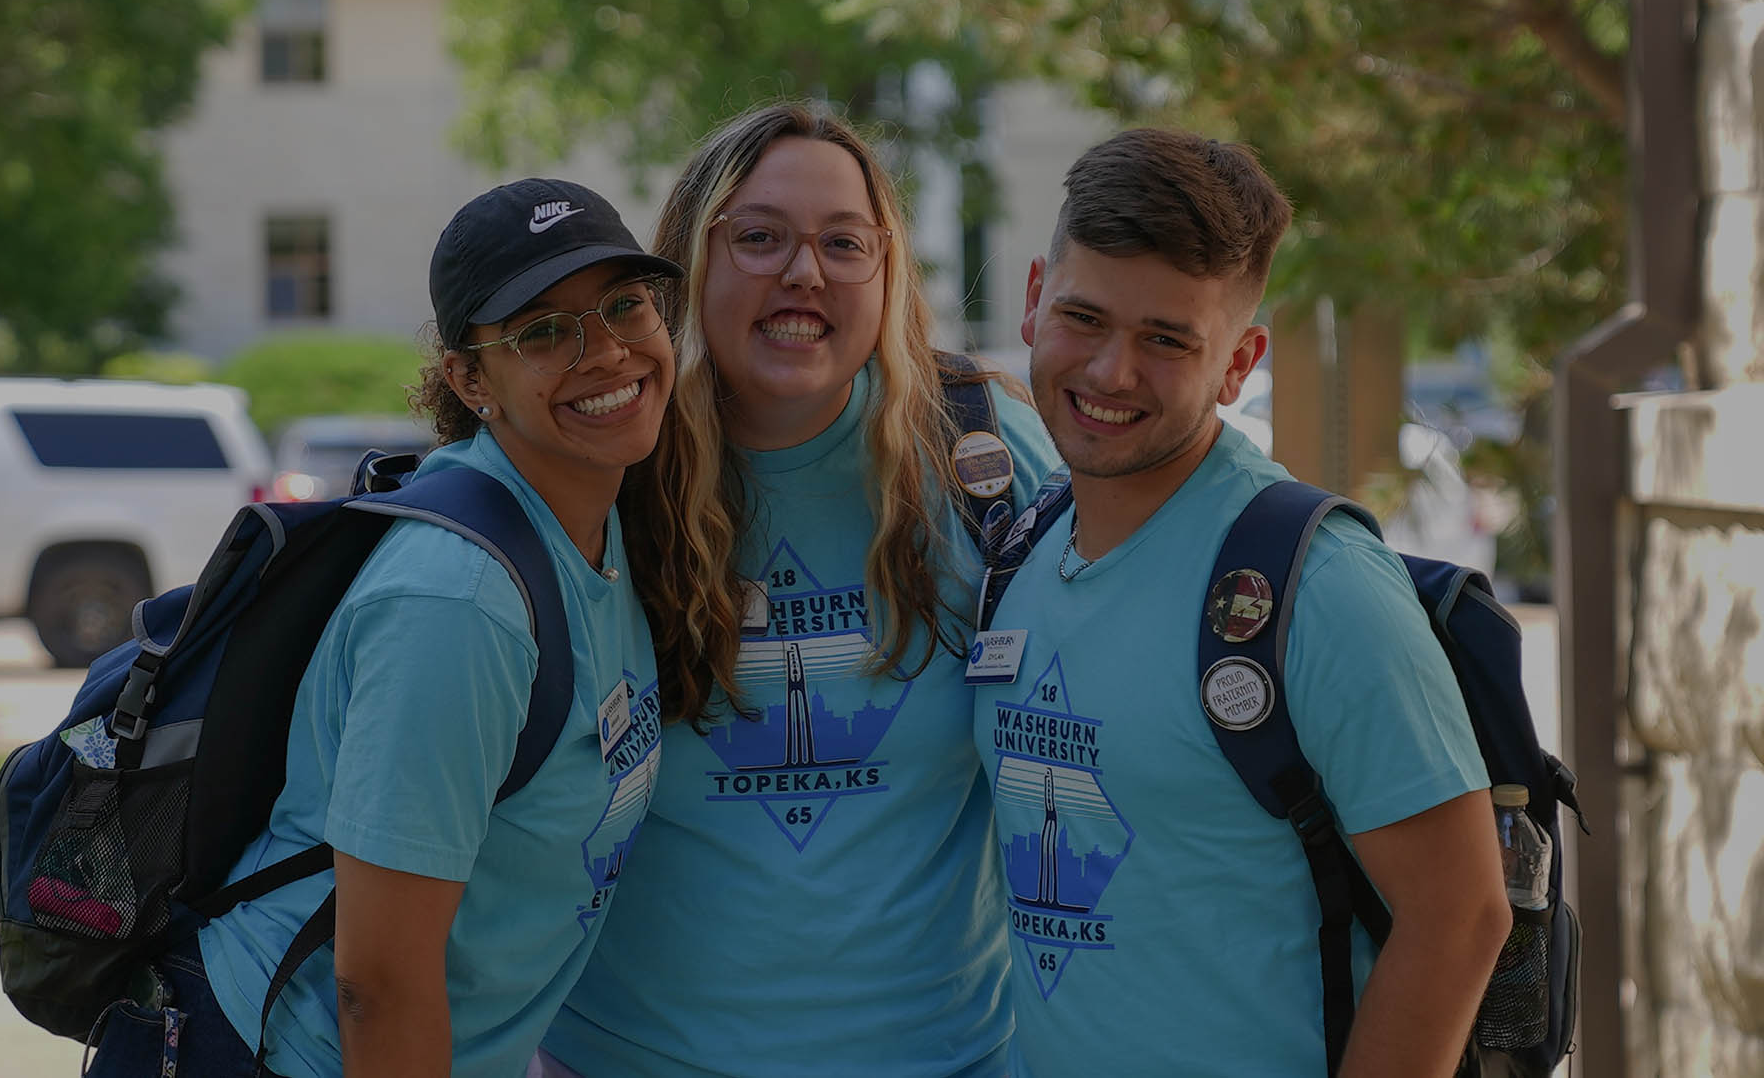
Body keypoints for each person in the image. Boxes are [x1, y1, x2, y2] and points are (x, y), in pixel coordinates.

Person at [0, 179, 682, 1078]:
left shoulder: (594, 520)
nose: (608, 351)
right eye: (543, 331)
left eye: (626, 305)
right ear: (469, 377)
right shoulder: (461, 604)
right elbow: (376, 983)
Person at [970, 128, 1512, 1076]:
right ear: (1030, 300)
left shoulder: (1320, 588)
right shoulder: (1023, 550)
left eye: (1167, 339)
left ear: (1238, 361)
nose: (1110, 373)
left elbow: (1461, 916)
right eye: (1084, 318)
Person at [542, 104, 1061, 1076]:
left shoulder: (984, 453)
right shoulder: (611, 466)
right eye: (760, 237)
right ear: (691, 260)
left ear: (887, 266)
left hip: (947, 1059)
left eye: (842, 241)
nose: (804, 270)